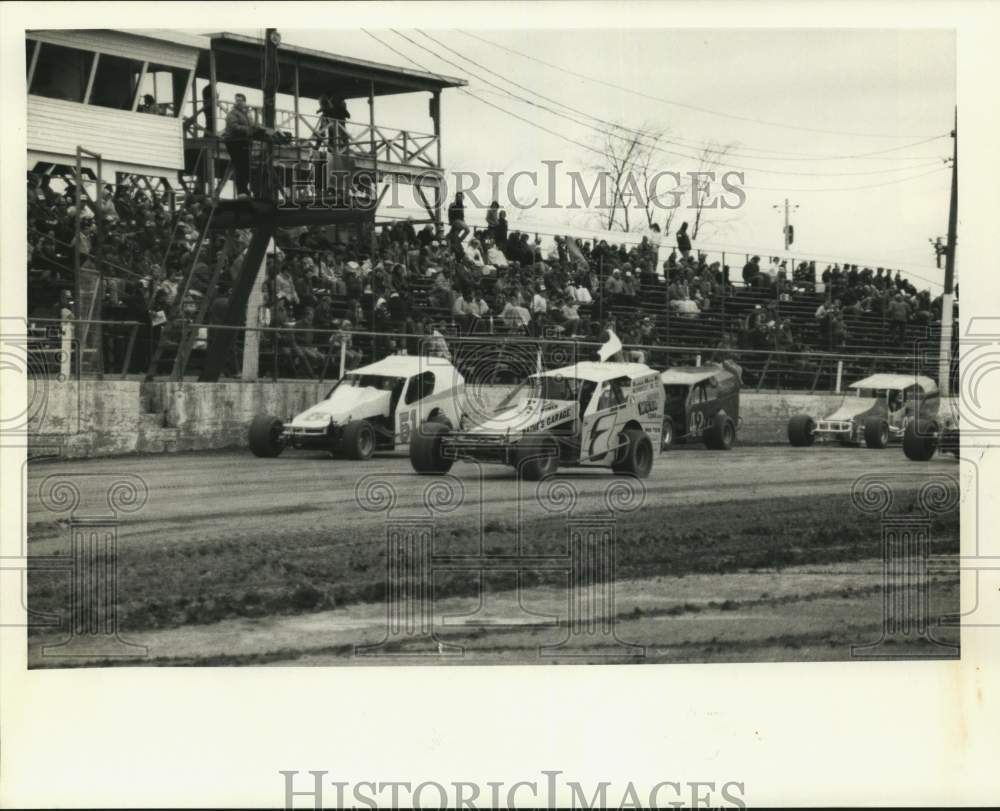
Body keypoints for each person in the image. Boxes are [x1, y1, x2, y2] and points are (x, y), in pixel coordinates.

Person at [223, 93, 254, 198]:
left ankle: (244, 189)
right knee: (240, 166)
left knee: (245, 166)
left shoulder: (247, 113)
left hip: (244, 142)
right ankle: (241, 191)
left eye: (240, 100)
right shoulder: (232, 113)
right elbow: (234, 127)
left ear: (244, 102)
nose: (238, 102)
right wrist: (248, 129)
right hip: (234, 142)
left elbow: (251, 125)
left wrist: (254, 129)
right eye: (237, 100)